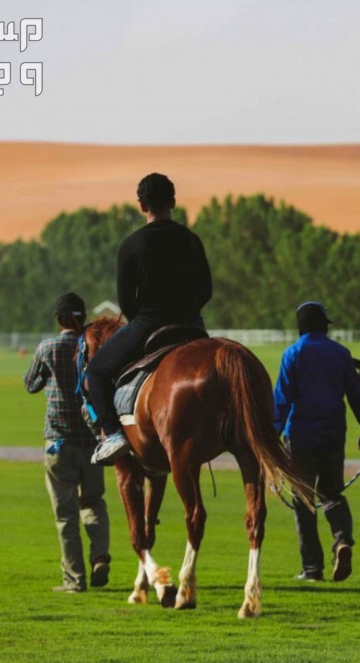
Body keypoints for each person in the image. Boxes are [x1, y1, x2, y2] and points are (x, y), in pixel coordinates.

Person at [89, 173, 213, 465]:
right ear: (172, 201)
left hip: (148, 325)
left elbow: (125, 302)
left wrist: (144, 320)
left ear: (142, 205)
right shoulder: (191, 239)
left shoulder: (131, 245)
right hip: (192, 326)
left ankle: (114, 435)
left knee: (95, 371)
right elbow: (206, 289)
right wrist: (189, 312)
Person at [274, 302, 360, 582]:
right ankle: (342, 541)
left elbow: (281, 399)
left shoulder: (292, 353)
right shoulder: (341, 353)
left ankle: (312, 568)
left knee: (303, 501)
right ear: (323, 326)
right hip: (333, 436)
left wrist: (269, 435)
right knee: (332, 495)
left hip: (300, 436)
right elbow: (356, 397)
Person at [24, 292, 111, 593]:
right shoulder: (91, 347)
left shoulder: (47, 348)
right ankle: (100, 555)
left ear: (59, 319)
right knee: (94, 501)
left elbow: (30, 384)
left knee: (65, 514)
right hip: (90, 441)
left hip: (57, 442)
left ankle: (74, 580)